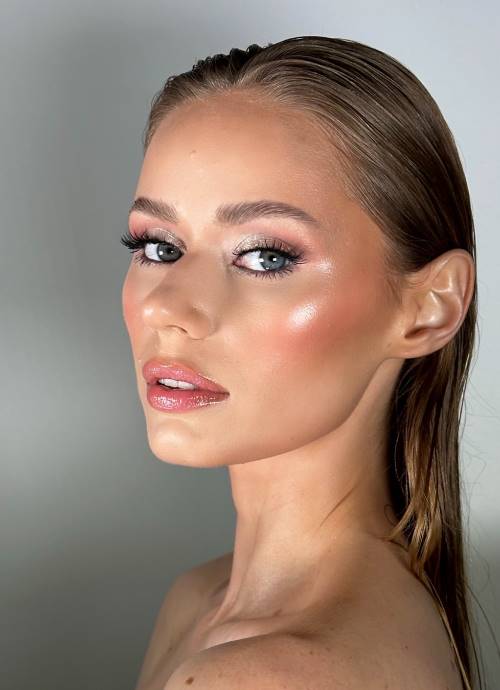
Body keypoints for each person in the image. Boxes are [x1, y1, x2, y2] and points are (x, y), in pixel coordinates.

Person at [121, 36, 484, 690]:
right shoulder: (197, 601)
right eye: (158, 246)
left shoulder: (262, 673)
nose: (167, 307)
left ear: (428, 309)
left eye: (265, 256)